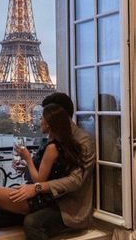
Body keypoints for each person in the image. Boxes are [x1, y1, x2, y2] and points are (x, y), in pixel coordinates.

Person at [0, 102, 84, 240]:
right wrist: (26, 165)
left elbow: (39, 181)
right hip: (41, 196)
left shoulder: (52, 148)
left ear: (48, 124)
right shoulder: (62, 144)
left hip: (38, 198)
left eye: (41, 118)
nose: (39, 121)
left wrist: (28, 159)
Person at [10, 92, 95, 240]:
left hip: (68, 206)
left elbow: (75, 181)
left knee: (32, 222)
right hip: (47, 199)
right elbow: (45, 173)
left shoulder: (83, 141)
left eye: (45, 115)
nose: (41, 120)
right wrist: (26, 168)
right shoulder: (52, 137)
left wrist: (36, 187)